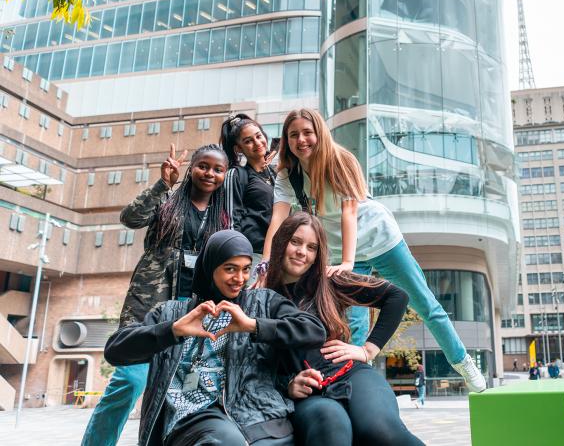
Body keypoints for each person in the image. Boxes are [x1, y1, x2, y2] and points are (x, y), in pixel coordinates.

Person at [261, 108, 486, 392]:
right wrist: (265, 264)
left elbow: (348, 213)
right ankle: (355, 381)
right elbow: (278, 220)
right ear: (286, 140)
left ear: (320, 133)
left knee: (425, 304)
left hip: (379, 239)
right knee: (351, 322)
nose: (301, 140)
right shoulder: (288, 176)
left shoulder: (339, 160)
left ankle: (463, 361)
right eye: (293, 135)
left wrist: (347, 262)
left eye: (308, 132)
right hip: (342, 249)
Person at [104, 229, 327, 446]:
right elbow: (115, 351)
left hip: (258, 415)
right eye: (230, 269)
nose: (239, 279)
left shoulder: (263, 302)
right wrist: (173, 331)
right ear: (210, 267)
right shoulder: (172, 312)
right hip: (192, 416)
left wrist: (253, 325)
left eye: (246, 269)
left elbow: (314, 331)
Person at [81, 144, 230, 446]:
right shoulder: (168, 199)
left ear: (225, 176)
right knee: (129, 382)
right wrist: (164, 183)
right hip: (148, 307)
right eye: (203, 166)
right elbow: (130, 218)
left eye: (217, 169)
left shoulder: (223, 219)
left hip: (192, 315)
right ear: (192, 168)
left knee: (173, 394)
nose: (209, 173)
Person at [263, 212, 424, 446]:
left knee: (378, 429)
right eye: (295, 242)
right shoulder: (260, 296)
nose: (302, 252)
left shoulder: (330, 281)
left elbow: (397, 297)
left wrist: (367, 350)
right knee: (331, 426)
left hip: (353, 375)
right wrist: (287, 384)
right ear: (281, 242)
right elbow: (253, 363)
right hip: (309, 393)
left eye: (312, 247)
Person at [220, 114, 278, 273]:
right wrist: (238, 260)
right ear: (238, 148)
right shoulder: (236, 174)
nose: (257, 143)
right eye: (248, 141)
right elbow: (231, 220)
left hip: (280, 254)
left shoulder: (277, 174)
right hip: (253, 256)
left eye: (258, 136)